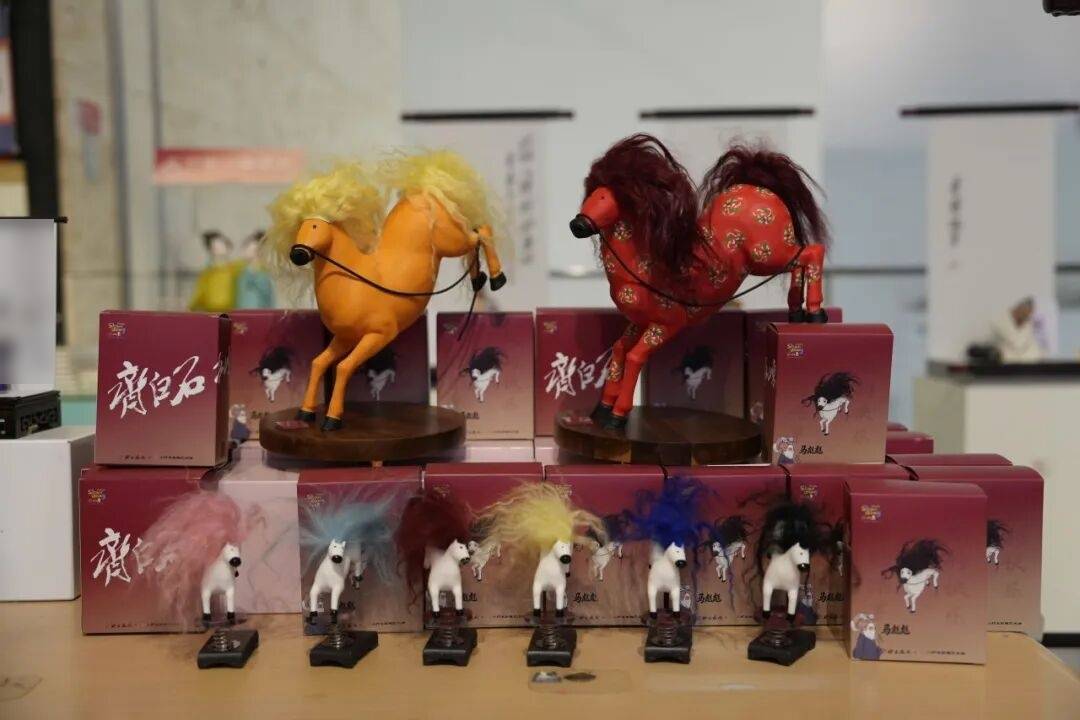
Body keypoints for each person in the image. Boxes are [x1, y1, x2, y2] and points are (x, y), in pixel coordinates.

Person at [189, 231, 243, 312]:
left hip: (230, 311)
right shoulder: (208, 272)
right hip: (210, 311)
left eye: (222, 243)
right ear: (211, 249)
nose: (220, 246)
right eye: (217, 244)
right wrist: (191, 307)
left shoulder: (235, 268)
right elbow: (199, 292)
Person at [989, 297, 1041, 363]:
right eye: (1025, 314)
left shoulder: (1027, 323)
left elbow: (1031, 345)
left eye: (1029, 315)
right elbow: (1017, 343)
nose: (1027, 318)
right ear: (1018, 309)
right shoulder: (1000, 321)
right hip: (1006, 360)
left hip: (1026, 361)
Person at [235, 229, 276, 309]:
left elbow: (268, 297)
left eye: (248, 248)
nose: (244, 251)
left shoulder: (263, 273)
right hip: (242, 312)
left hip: (259, 312)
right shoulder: (242, 271)